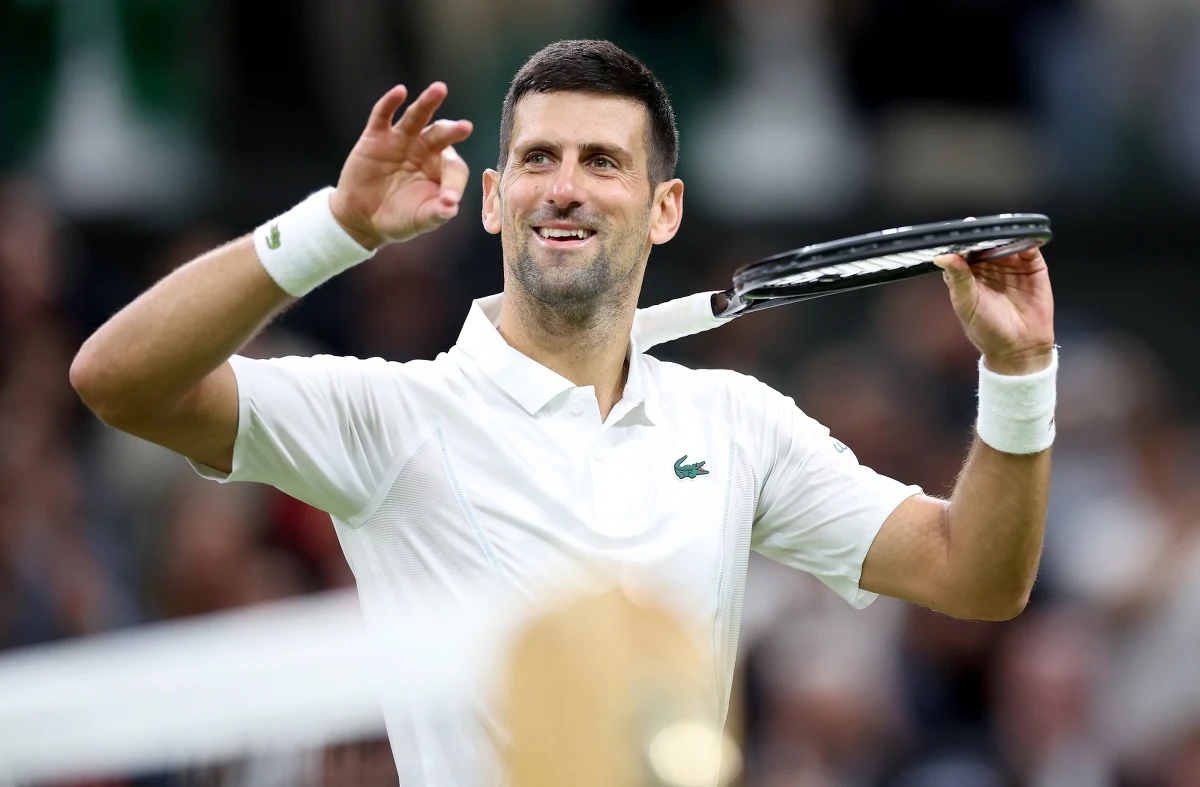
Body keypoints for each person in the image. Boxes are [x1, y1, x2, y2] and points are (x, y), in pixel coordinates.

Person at [69, 40, 1057, 786]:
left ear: (664, 208)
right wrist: (336, 225)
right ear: (493, 199)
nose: (567, 188)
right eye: (539, 159)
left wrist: (1019, 373)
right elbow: (117, 379)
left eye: (603, 161)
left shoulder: (737, 422)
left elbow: (973, 574)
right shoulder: (391, 417)